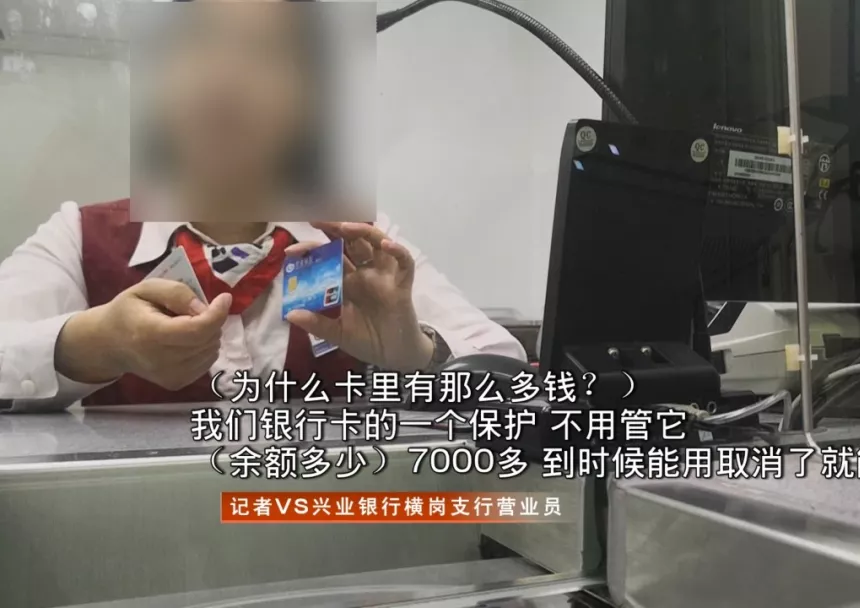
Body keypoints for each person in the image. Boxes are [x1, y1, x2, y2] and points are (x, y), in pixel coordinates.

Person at [0, 0, 526, 411]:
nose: (224, 81)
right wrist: (93, 345)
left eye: (265, 53)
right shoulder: (82, 237)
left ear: (309, 102)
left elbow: (506, 367)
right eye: (198, 45)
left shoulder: (348, 242)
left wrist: (416, 351)